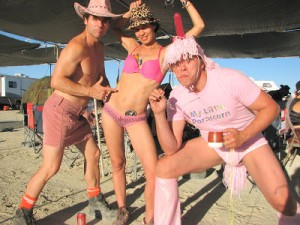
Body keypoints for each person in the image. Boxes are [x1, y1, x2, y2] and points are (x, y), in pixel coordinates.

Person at [149, 36, 300, 225]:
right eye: (176, 64)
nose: (183, 67)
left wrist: (243, 135)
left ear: (201, 62)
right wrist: (158, 115)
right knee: (164, 167)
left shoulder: (228, 78)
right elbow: (171, 148)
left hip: (249, 140)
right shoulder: (177, 97)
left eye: (188, 60)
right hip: (212, 143)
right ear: (171, 69)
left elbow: (272, 108)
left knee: (284, 202)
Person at [12, 0, 119, 224]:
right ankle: (23, 212)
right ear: (86, 19)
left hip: (79, 112)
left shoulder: (99, 48)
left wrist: (111, 94)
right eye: (96, 18)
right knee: (51, 166)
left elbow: (100, 79)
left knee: (94, 154)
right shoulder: (76, 46)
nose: (100, 24)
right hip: (60, 110)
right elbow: (56, 81)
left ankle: (95, 201)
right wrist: (91, 91)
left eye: (105, 20)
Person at [101, 0, 204, 224]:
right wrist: (130, 11)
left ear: (154, 27)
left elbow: (199, 26)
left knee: (153, 171)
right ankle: (122, 209)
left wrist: (186, 3)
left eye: (145, 27)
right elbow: (113, 26)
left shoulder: (166, 54)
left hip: (135, 117)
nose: (141, 32)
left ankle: (149, 219)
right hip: (110, 111)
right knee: (117, 164)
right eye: (137, 28)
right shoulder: (132, 47)